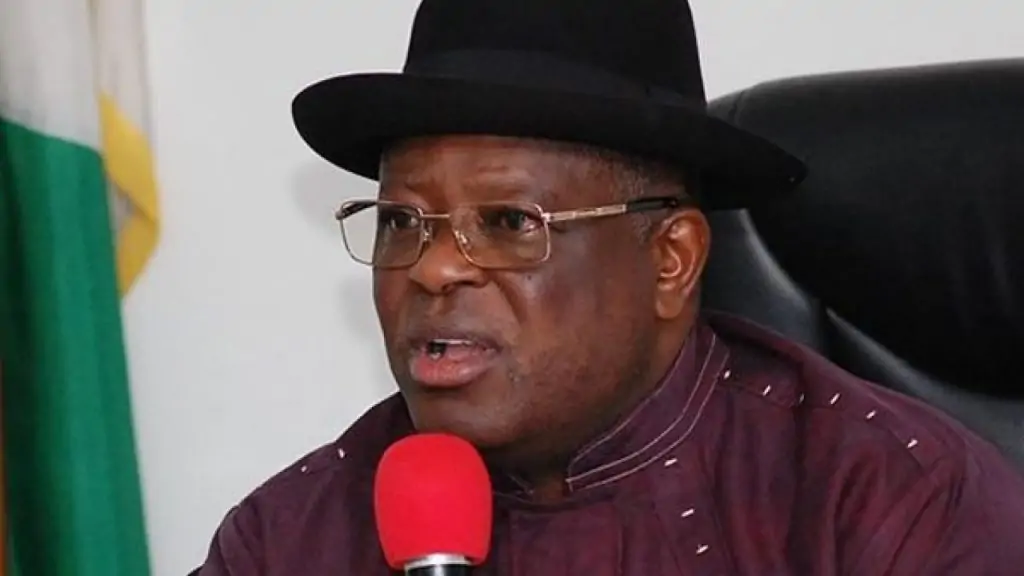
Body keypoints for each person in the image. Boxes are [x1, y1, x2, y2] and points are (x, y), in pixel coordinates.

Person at [196, 0, 1024, 574]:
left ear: (670, 260)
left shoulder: (893, 504)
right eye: (401, 222)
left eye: (509, 222)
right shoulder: (289, 540)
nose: (434, 268)